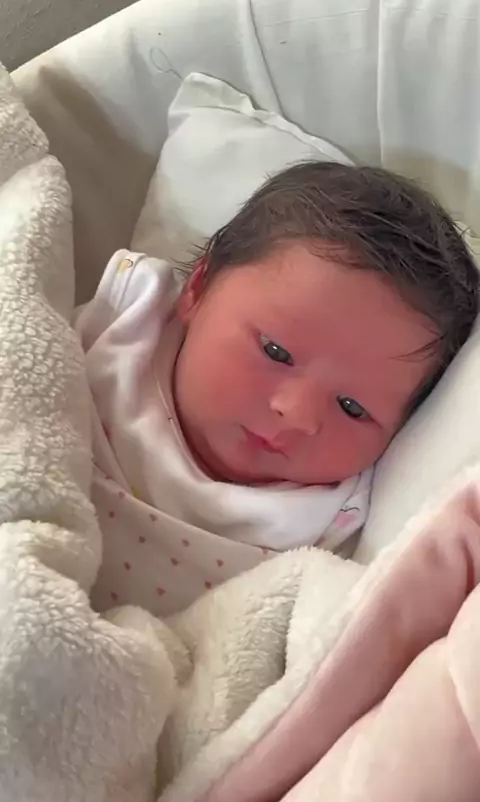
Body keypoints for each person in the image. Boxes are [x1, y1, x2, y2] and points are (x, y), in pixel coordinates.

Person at [76, 162, 479, 615]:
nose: (297, 413)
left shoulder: (329, 518)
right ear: (198, 287)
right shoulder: (130, 322)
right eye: (275, 352)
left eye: (352, 407)